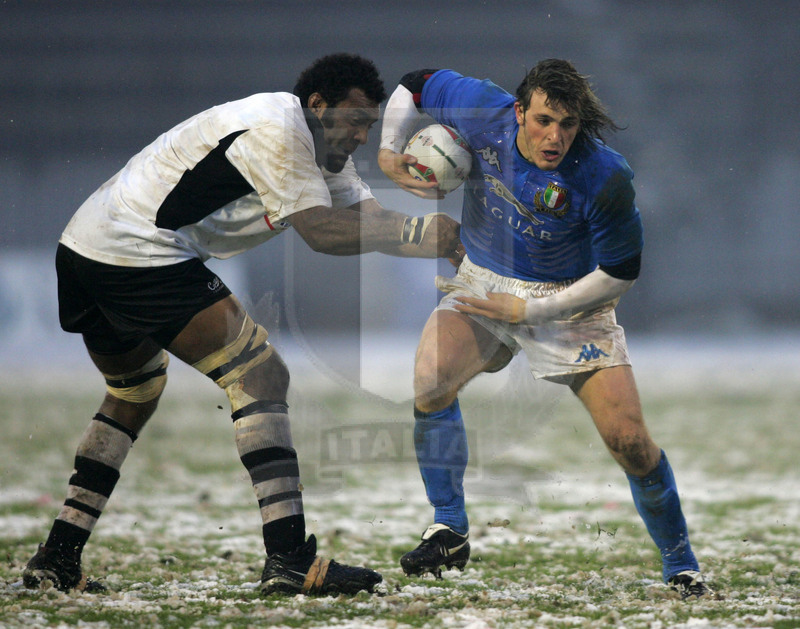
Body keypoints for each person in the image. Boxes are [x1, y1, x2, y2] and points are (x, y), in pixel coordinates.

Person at [22, 53, 461, 597]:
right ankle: (289, 559)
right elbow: (321, 233)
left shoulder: (320, 148)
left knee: (133, 392)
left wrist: (446, 238)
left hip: (87, 246)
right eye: (354, 120)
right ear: (317, 105)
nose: (363, 136)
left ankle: (57, 555)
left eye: (370, 124)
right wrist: (421, 235)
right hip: (135, 252)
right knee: (261, 377)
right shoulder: (279, 131)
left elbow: (367, 222)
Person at [378, 59, 710, 599]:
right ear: (518, 111)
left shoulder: (604, 175)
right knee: (431, 380)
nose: (554, 137)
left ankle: (681, 563)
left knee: (629, 441)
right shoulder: (481, 110)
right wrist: (391, 152)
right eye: (543, 121)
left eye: (568, 124)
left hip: (572, 302)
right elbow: (415, 83)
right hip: (485, 280)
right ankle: (448, 528)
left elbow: (621, 272)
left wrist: (531, 313)